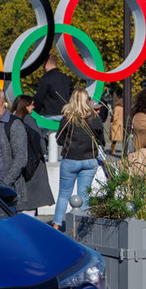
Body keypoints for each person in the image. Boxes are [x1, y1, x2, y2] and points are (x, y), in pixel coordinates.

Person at [52, 89, 104, 230]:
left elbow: (59, 139)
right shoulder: (94, 118)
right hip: (89, 159)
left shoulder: (68, 118)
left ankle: (56, 225)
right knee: (84, 195)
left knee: (64, 195)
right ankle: (81, 227)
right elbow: (101, 140)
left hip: (71, 159)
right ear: (86, 100)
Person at [12, 95, 53, 214]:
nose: (34, 107)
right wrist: (43, 152)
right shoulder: (29, 119)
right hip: (33, 164)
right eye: (31, 104)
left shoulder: (11, 119)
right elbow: (38, 138)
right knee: (31, 199)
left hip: (19, 162)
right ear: (25, 106)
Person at [32, 54, 72, 126]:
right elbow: (72, 94)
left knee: (35, 127)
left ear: (46, 63)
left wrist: (34, 111)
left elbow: (39, 98)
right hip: (65, 114)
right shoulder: (66, 78)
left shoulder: (45, 79)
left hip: (49, 115)